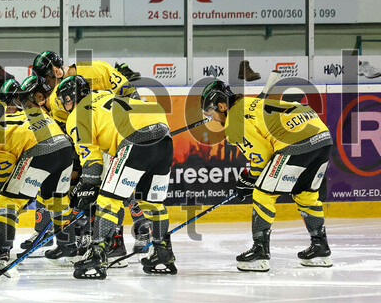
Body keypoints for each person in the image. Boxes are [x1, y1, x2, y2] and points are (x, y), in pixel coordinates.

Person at [201, 81, 334, 271]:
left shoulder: (234, 122)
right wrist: (249, 178)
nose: (212, 118)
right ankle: (320, 247)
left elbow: (262, 159)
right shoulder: (248, 104)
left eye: (210, 113)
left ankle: (260, 252)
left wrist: (248, 179)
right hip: (322, 137)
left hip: (295, 143)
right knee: (306, 194)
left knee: (263, 193)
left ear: (221, 106)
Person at [57, 75, 176, 279]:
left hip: (134, 137)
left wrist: (87, 188)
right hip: (163, 132)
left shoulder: (75, 117)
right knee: (152, 202)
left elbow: (93, 162)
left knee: (108, 201)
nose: (64, 105)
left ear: (69, 98)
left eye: (64, 100)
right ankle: (162, 251)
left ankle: (97, 254)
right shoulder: (104, 94)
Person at [0, 79, 75, 273]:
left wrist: (1, 189)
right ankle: (68, 245)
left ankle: (1, 252)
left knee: (7, 202)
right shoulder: (34, 112)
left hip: (41, 151)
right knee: (57, 200)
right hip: (64, 147)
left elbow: (6, 167)